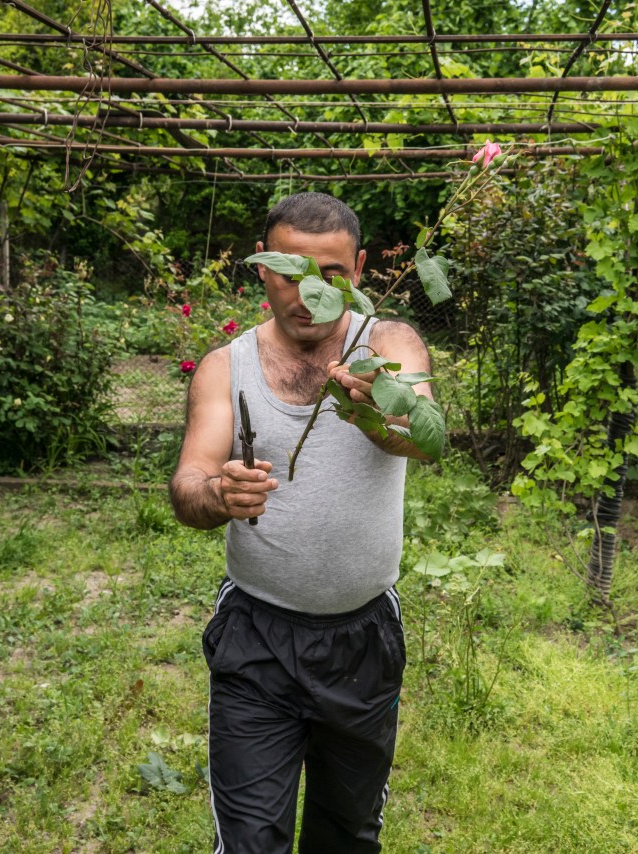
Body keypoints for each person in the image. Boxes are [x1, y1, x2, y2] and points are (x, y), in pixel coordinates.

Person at [169, 191, 433, 853]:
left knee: (346, 835)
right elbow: (188, 485)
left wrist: (379, 413)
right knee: (252, 839)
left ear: (362, 269)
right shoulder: (225, 368)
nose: (309, 291)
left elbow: (425, 436)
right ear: (261, 269)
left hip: (364, 637)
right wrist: (219, 493)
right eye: (291, 272)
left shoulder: (389, 344)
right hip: (256, 635)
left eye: (333, 275)